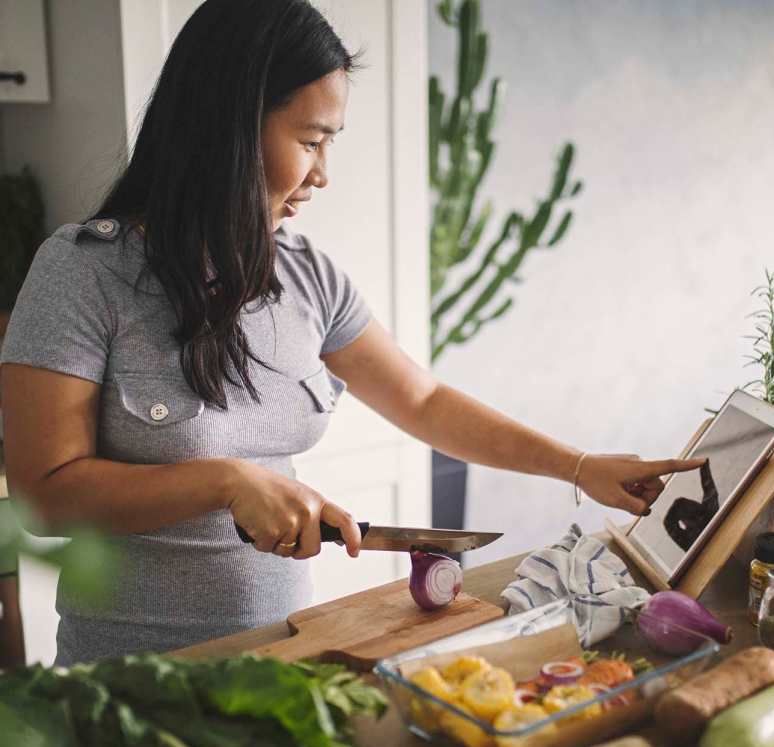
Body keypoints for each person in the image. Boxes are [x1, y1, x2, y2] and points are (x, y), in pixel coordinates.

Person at [0, 0, 703, 666]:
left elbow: (423, 402)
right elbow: (44, 495)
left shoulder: (310, 277)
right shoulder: (82, 272)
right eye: (310, 141)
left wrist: (579, 467)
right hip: (130, 683)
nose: (322, 175)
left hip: (284, 659)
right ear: (228, 127)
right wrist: (223, 480)